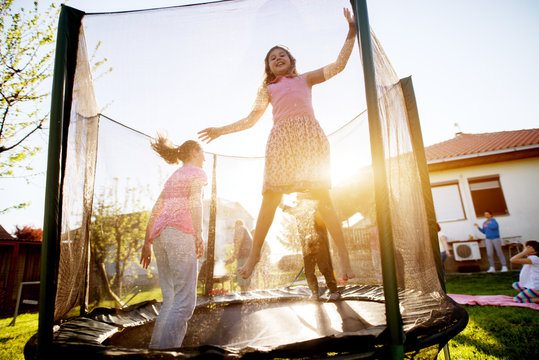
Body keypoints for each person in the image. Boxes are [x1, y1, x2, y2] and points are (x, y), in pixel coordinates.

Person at [198, 8, 356, 281]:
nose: (277, 58)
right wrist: (221, 130)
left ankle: (343, 256)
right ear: (268, 68)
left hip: (309, 141)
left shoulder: (305, 78)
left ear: (291, 61)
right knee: (270, 199)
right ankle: (255, 253)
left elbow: (338, 66)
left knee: (324, 199)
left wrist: (352, 31)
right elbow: (250, 120)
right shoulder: (267, 89)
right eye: (272, 58)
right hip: (281, 144)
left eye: (282, 54)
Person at [140, 135, 207, 349]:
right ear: (195, 152)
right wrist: (199, 233)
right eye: (202, 153)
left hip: (160, 235)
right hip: (180, 232)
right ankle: (165, 354)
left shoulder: (173, 177)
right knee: (185, 302)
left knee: (170, 300)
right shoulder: (197, 172)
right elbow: (196, 201)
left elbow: (155, 209)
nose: (204, 158)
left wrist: (147, 241)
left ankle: (154, 351)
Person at [225, 219, 253, 292]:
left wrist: (234, 256)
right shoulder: (246, 230)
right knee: (247, 282)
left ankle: (244, 299)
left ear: (236, 225)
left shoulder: (240, 228)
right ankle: (248, 299)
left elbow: (238, 241)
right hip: (249, 256)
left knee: (243, 281)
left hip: (244, 256)